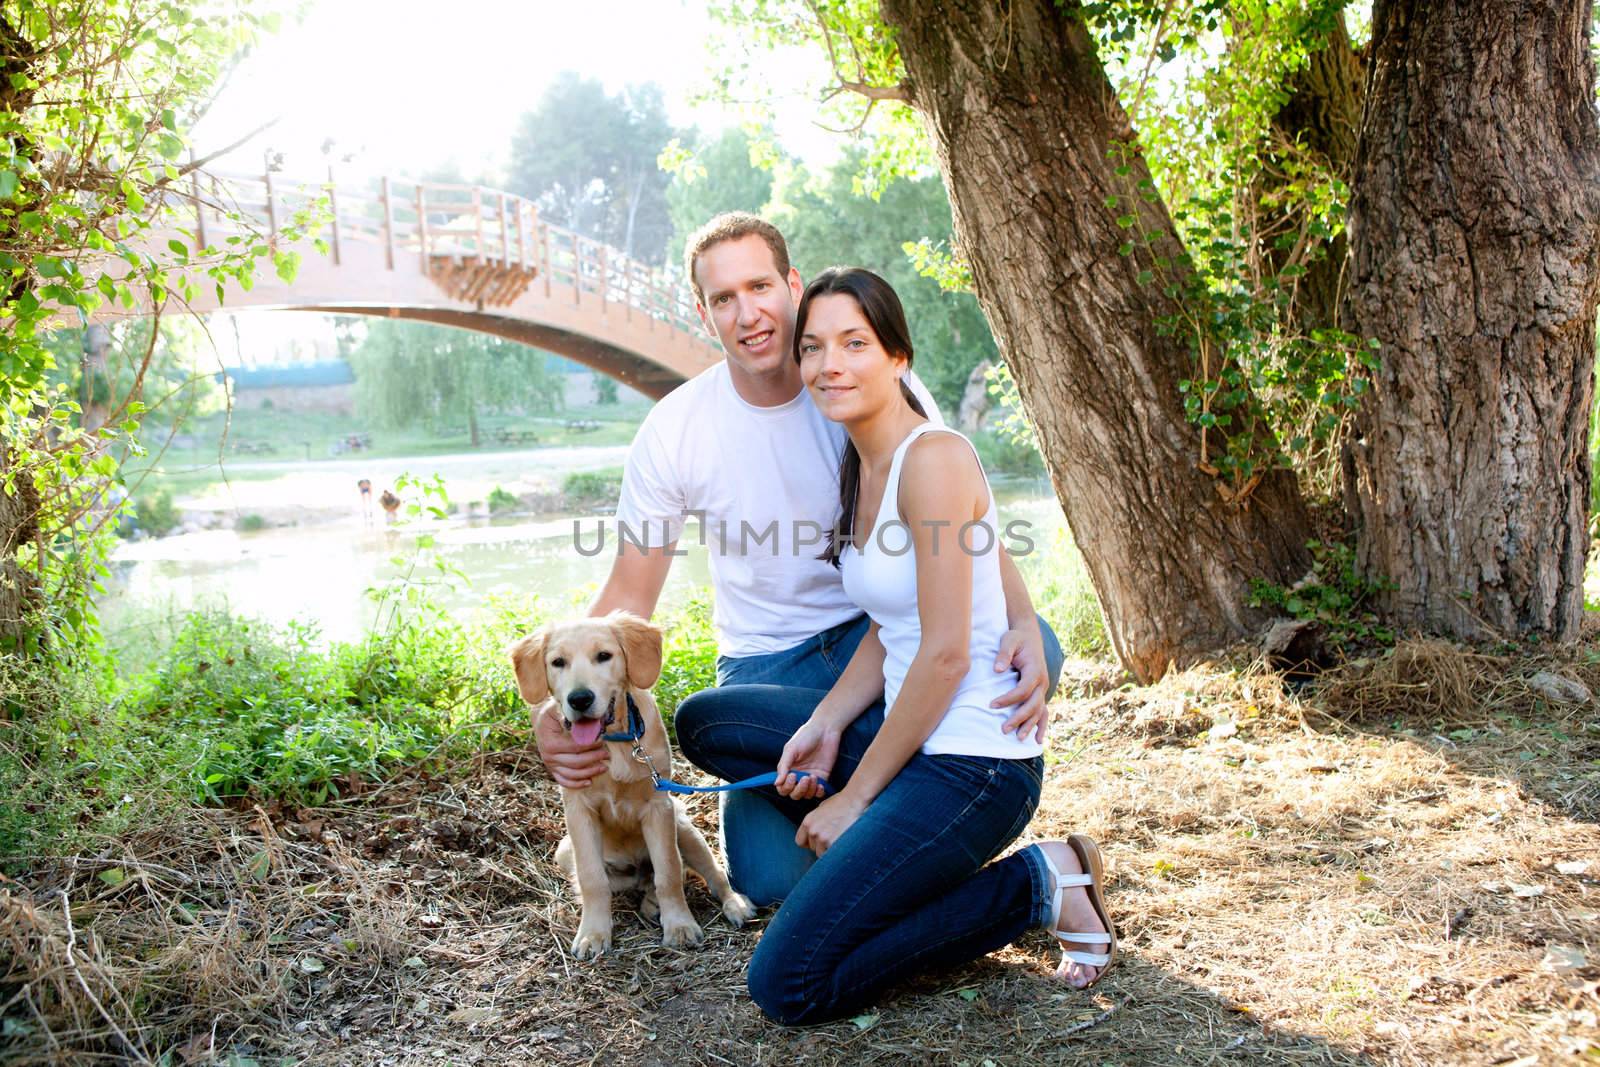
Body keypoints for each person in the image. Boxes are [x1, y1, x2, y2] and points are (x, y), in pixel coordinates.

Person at [533, 213, 1064, 905]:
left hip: (874, 638)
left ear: (792, 284)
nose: (747, 312)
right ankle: (906, 793)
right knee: (764, 867)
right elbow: (630, 589)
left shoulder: (866, 381)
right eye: (724, 298)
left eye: (759, 285)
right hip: (768, 669)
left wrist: (1021, 616)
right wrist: (557, 708)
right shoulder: (676, 429)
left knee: (1041, 645)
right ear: (704, 313)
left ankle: (890, 792)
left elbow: (968, 521)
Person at [713, 267, 1115, 1024]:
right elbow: (888, 626)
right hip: (918, 740)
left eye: (854, 343)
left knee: (788, 983)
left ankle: (1041, 880)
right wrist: (827, 723)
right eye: (814, 348)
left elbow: (944, 655)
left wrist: (856, 801)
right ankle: (897, 858)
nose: (830, 364)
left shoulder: (931, 458)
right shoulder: (862, 464)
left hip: (975, 767)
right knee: (711, 719)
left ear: (897, 356)